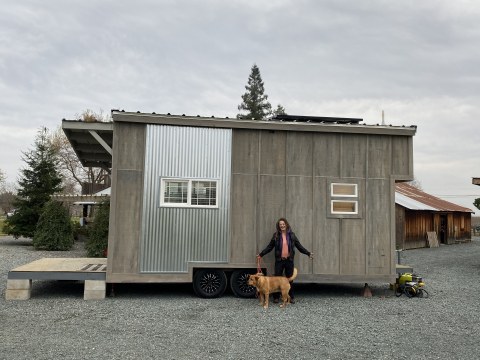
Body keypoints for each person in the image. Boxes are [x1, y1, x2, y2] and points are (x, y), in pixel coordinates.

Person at [257, 218, 313, 304]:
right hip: (279, 261)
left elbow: (299, 246)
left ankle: (290, 297)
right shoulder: (276, 235)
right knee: (276, 279)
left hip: (289, 260)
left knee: (289, 279)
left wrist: (308, 253)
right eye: (280, 224)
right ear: (278, 226)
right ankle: (276, 297)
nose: (282, 225)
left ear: (286, 224)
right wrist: (261, 254)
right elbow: (270, 247)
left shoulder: (292, 235)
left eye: (283, 224)